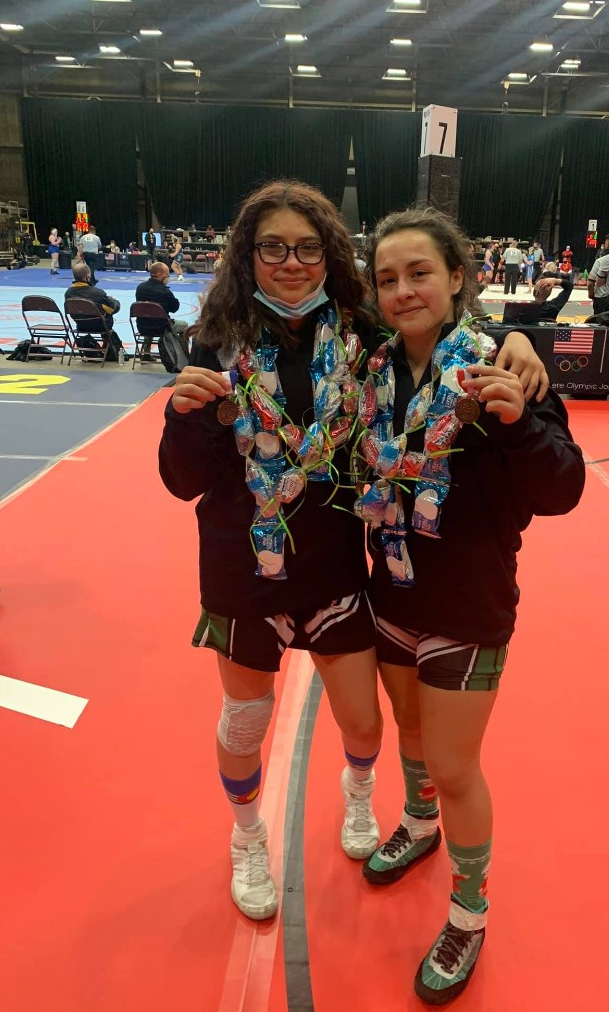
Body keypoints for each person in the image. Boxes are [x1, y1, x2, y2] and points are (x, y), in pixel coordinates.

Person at [157, 181, 550, 927]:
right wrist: (184, 421)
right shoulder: (218, 339)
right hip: (244, 569)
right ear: (249, 255)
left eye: (308, 247)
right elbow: (180, 481)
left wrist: (515, 338)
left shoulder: (358, 326)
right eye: (272, 247)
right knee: (245, 722)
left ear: (330, 256)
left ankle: (362, 796)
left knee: (366, 727)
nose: (292, 262)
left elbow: (433, 319)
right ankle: (247, 838)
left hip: (337, 568)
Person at [357, 206, 585, 1005]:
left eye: (420, 272)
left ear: (458, 277)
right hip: (389, 589)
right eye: (387, 278)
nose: (403, 289)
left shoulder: (499, 367)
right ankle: (418, 823)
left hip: (469, 604)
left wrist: (519, 419)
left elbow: (565, 486)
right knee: (410, 734)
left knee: (455, 765)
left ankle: (469, 908)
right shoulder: (368, 365)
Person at [135, 260, 189, 361]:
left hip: (142, 326)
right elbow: (174, 308)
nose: (168, 277)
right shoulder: (164, 292)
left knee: (149, 317)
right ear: (159, 274)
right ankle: (183, 357)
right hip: (162, 328)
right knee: (185, 325)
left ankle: (146, 353)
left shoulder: (140, 288)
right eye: (167, 274)